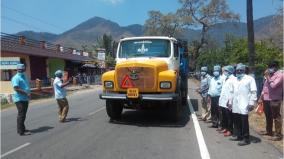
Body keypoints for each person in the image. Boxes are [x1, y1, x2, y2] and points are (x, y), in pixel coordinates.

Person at [231, 63, 257, 146]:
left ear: (244, 70)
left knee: (244, 121)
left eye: (241, 70)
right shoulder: (235, 80)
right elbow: (231, 92)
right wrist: (230, 102)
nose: (239, 71)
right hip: (235, 104)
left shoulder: (250, 79)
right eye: (237, 70)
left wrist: (251, 103)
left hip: (244, 104)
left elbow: (253, 92)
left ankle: (246, 139)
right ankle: (238, 135)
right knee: (236, 120)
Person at [258, 61, 283, 141]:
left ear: (276, 67)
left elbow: (273, 85)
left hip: (274, 99)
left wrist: (268, 77)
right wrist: (261, 97)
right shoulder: (269, 75)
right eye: (269, 67)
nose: (269, 69)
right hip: (266, 98)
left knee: (276, 117)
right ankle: (269, 131)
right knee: (268, 116)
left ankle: (278, 135)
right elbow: (265, 87)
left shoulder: (280, 75)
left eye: (270, 67)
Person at [11, 64, 32, 136]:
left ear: (24, 70)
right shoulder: (16, 78)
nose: (20, 71)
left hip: (25, 98)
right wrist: (26, 92)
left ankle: (22, 128)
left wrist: (28, 93)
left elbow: (26, 86)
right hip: (19, 98)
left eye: (22, 69)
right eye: (19, 69)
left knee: (23, 114)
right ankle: (21, 131)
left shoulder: (24, 76)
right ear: (17, 70)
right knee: (21, 114)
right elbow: (16, 88)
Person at [218, 65, 236, 137]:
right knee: (224, 116)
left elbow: (232, 91)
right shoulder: (226, 78)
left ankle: (230, 130)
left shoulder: (233, 79)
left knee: (229, 117)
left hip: (228, 101)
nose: (224, 72)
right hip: (223, 101)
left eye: (226, 71)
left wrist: (230, 101)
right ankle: (225, 127)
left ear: (230, 71)